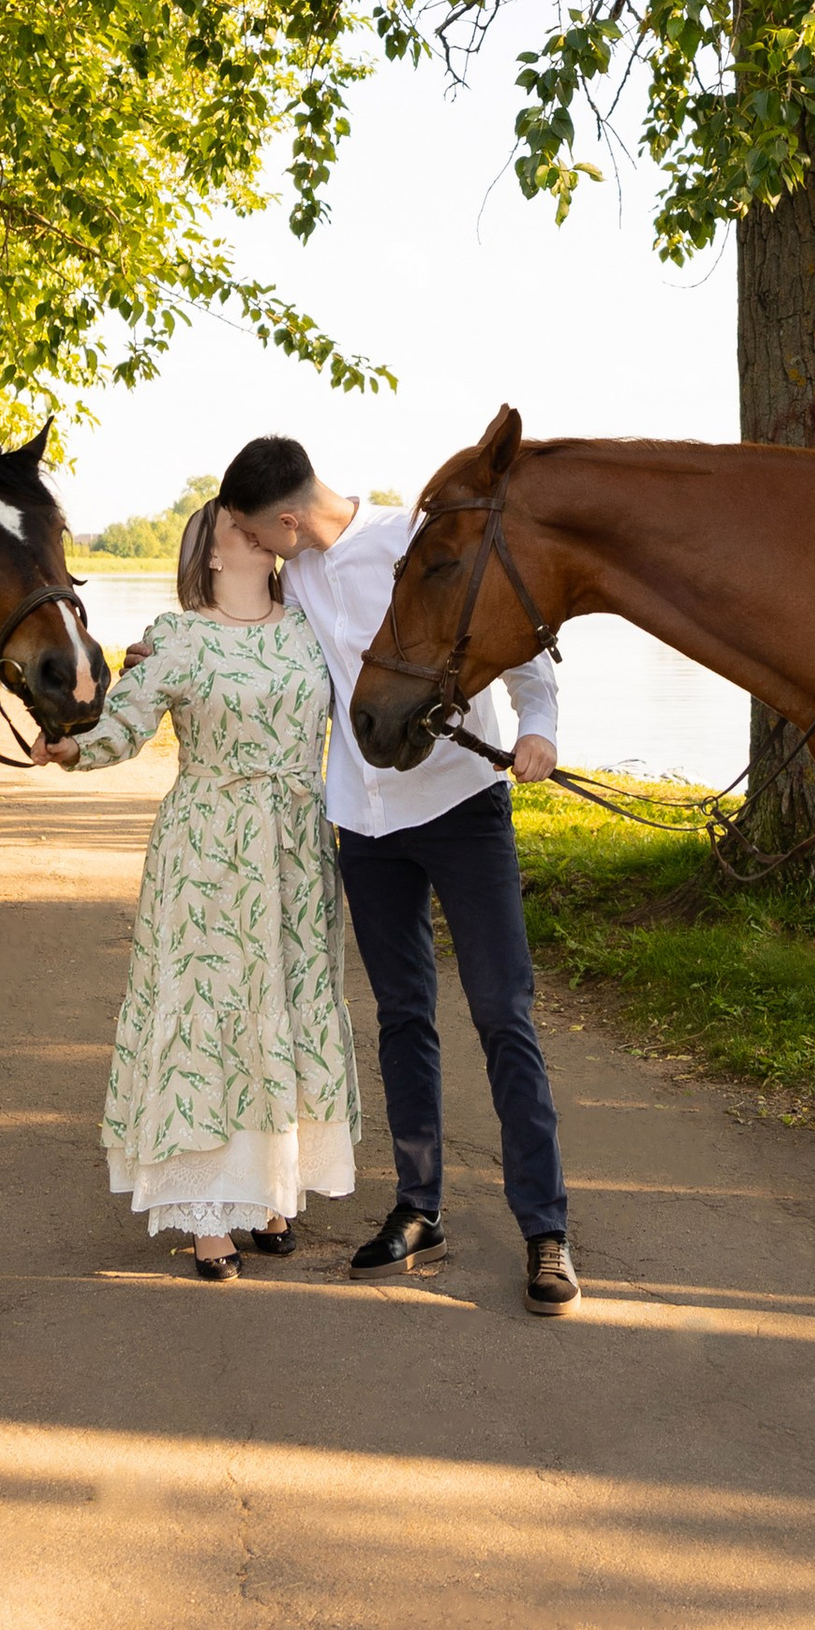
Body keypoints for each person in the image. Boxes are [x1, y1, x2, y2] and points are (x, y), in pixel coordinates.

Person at [218, 434, 580, 1314]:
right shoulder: (294, 576)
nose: (264, 551)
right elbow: (245, 632)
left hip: (462, 811)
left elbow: (523, 650)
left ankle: (546, 1230)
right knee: (402, 1018)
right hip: (366, 825)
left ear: (293, 519)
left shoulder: (420, 544)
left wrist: (538, 730)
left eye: (266, 534)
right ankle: (420, 1209)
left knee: (503, 1015)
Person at [37, 496, 360, 1280]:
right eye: (232, 521)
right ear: (211, 552)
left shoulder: (309, 626)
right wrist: (73, 749)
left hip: (295, 846)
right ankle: (208, 1214)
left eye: (258, 520)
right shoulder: (176, 636)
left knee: (283, 1004)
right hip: (207, 847)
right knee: (209, 1015)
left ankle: (273, 1192)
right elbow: (124, 726)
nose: (251, 527)